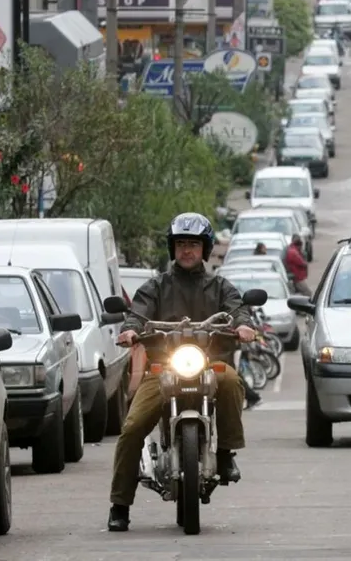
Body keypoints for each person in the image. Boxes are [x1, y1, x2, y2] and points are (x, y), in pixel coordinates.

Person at [107, 213, 256, 532]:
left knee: (230, 380)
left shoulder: (220, 286)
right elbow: (138, 312)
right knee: (132, 428)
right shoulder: (156, 286)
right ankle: (119, 504)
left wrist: (243, 325)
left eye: (193, 244)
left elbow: (237, 309)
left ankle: (227, 452)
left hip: (210, 365)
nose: (187, 250)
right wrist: (131, 330)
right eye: (181, 244)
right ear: (172, 249)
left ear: (205, 249)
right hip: (162, 368)